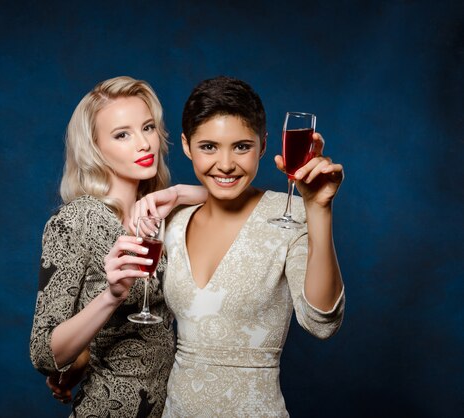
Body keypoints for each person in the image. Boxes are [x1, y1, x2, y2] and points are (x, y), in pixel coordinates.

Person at [134, 76, 345, 417]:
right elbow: (142, 321)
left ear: (263, 145)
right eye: (209, 147)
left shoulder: (285, 217)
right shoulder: (171, 224)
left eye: (241, 146)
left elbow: (322, 323)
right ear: (187, 146)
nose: (227, 164)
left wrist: (319, 209)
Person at [29, 76, 203, 417]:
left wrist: (180, 193)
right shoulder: (75, 221)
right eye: (122, 134)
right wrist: (110, 297)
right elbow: (44, 353)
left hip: (173, 407)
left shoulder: (162, 214)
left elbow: (233, 200)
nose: (144, 144)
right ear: (95, 149)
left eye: (148, 128)